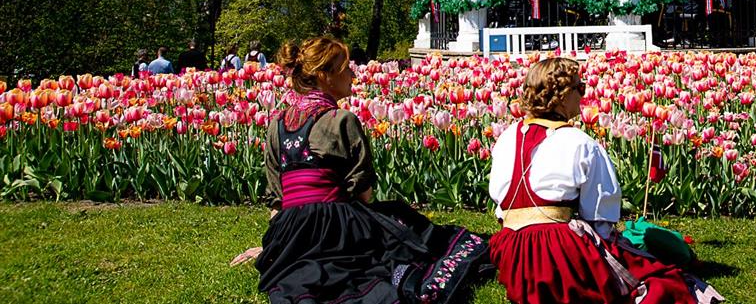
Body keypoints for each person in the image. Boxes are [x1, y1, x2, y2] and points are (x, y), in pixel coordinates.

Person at [240, 37, 489, 303]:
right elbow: (363, 193)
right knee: (415, 235)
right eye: (345, 67)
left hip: (290, 233)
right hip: (336, 227)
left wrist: (277, 248)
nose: (353, 74)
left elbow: (277, 200)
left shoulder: (277, 124)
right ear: (324, 76)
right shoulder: (340, 120)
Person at [487, 57, 721, 304]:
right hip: (555, 252)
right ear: (562, 96)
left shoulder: (507, 138)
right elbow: (600, 218)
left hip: (511, 250)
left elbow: (501, 209)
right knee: (655, 276)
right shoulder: (581, 143)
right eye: (580, 88)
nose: (583, 95)